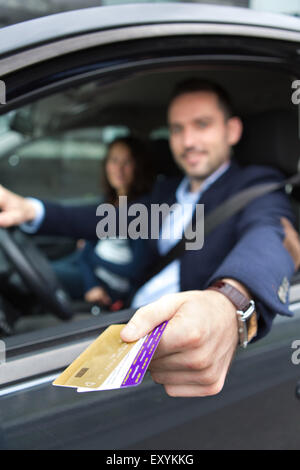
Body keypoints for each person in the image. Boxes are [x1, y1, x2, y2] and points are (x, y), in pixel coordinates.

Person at [0, 79, 298, 398]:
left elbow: (272, 238)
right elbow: (106, 219)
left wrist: (228, 303)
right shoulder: (168, 191)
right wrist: (31, 210)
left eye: (202, 125)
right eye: (177, 129)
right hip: (128, 318)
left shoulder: (253, 189)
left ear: (232, 130)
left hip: (171, 352)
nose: (188, 141)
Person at [53, 136, 154, 307]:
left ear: (138, 166)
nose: (119, 169)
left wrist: (93, 258)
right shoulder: (109, 201)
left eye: (127, 162)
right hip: (94, 272)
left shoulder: (141, 210)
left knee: (37, 277)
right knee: (43, 269)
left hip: (112, 284)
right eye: (114, 160)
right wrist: (91, 283)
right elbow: (87, 251)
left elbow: (137, 270)